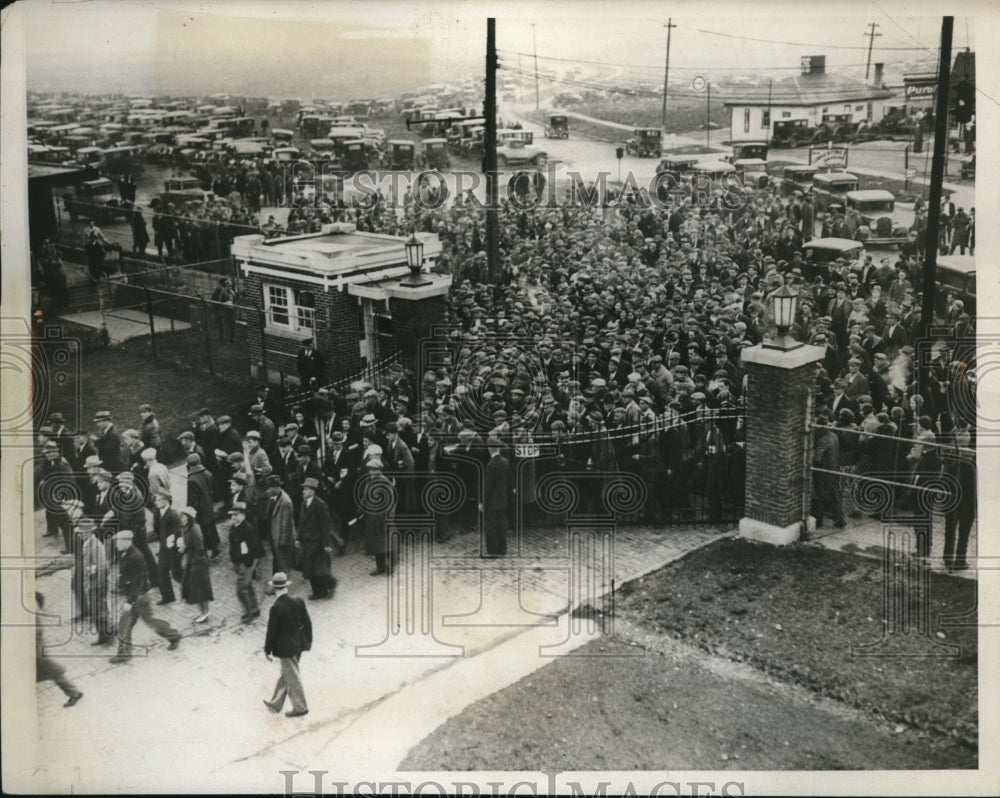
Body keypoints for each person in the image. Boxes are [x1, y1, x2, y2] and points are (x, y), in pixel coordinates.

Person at [109, 529, 181, 664]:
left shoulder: (136, 557)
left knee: (150, 622)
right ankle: (124, 654)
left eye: (117, 542)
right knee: (125, 625)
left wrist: (130, 601)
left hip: (139, 597)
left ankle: (174, 636)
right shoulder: (122, 553)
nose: (115, 545)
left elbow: (138, 581)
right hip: (132, 595)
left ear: (126, 542)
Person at [262, 572, 312, 718]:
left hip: (286, 648)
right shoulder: (298, 601)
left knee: (293, 677)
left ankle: (300, 708)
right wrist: (307, 641)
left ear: (274, 589)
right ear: (286, 586)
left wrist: (267, 649)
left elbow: (272, 631)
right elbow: (307, 622)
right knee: (287, 674)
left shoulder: (276, 607)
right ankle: (276, 703)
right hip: (298, 644)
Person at [35, 592, 84, 707]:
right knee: (47, 669)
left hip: (33, 644)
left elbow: (36, 629)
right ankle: (74, 692)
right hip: (31, 644)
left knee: (48, 668)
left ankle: (74, 692)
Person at [296, 477, 339, 600]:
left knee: (318, 569)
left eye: (306, 489)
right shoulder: (303, 504)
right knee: (311, 567)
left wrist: (326, 544)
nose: (303, 491)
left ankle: (322, 590)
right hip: (307, 541)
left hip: (317, 542)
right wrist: (298, 538)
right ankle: (323, 588)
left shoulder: (320, 505)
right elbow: (301, 523)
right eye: (303, 489)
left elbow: (325, 526)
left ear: (312, 491)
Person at [228, 501, 264, 622]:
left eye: (236, 515)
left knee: (240, 590)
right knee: (248, 586)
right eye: (232, 515)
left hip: (246, 563)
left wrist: (246, 565)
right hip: (238, 563)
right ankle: (254, 609)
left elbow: (253, 550)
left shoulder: (247, 529)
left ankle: (248, 613)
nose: (233, 517)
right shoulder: (235, 526)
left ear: (243, 515)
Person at [177, 506, 213, 623]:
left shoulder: (194, 529)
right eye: (181, 517)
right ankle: (203, 611)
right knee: (195, 588)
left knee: (200, 588)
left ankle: (205, 611)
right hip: (192, 561)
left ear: (189, 518)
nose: (181, 519)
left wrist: (185, 550)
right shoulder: (186, 528)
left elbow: (199, 548)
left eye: (184, 517)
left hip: (198, 562)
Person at [38, 441, 74, 553]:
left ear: (55, 452)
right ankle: (70, 546)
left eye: (49, 453)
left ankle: (70, 547)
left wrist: (62, 497)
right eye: (46, 453)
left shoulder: (62, 465)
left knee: (65, 522)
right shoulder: (53, 462)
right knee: (63, 522)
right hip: (57, 496)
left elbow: (68, 481)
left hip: (63, 497)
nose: (46, 455)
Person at [264, 474, 297, 591]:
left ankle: (282, 587)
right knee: (277, 561)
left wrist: (283, 542)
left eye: (269, 488)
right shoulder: (273, 498)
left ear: (277, 488)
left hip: (281, 540)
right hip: (274, 537)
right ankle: (276, 582)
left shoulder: (285, 502)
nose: (267, 491)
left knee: (283, 564)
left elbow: (287, 524)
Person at [481, 437, 511, 556]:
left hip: (492, 502)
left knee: (491, 526)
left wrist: (482, 502)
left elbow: (487, 488)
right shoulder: (505, 461)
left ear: (490, 448)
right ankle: (503, 548)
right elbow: (509, 481)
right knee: (502, 524)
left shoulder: (490, 465)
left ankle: (492, 550)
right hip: (502, 500)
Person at [151, 490, 183, 605]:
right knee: (161, 572)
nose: (156, 502)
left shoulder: (172, 514)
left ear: (167, 501)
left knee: (177, 574)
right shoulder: (158, 512)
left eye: (159, 500)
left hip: (172, 549)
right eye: (156, 500)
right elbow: (157, 528)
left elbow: (178, 532)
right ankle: (168, 596)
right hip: (164, 548)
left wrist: (172, 542)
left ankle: (193, 587)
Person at [210, 277, 237, 343]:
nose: (229, 287)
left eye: (230, 286)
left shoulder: (232, 292)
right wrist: (225, 304)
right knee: (224, 325)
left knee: (232, 325)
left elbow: (235, 299)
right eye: (228, 285)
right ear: (225, 285)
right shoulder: (221, 291)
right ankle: (225, 338)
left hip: (230, 310)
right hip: (223, 311)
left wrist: (234, 305)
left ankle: (231, 338)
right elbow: (218, 301)